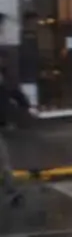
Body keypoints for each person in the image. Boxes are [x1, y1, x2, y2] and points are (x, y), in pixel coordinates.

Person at [1, 66, 35, 206]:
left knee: (4, 162)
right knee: (4, 162)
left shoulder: (4, 84)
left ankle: (12, 192)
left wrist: (27, 106)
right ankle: (12, 192)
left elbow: (15, 94)